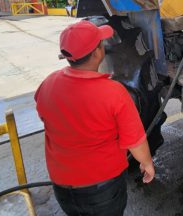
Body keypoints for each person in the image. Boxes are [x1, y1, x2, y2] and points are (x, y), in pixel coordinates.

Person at [35, 21, 155, 216]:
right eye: (101, 43)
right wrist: (147, 163)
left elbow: (45, 117)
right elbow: (135, 140)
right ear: (98, 53)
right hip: (102, 189)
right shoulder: (113, 92)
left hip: (62, 188)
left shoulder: (47, 84)